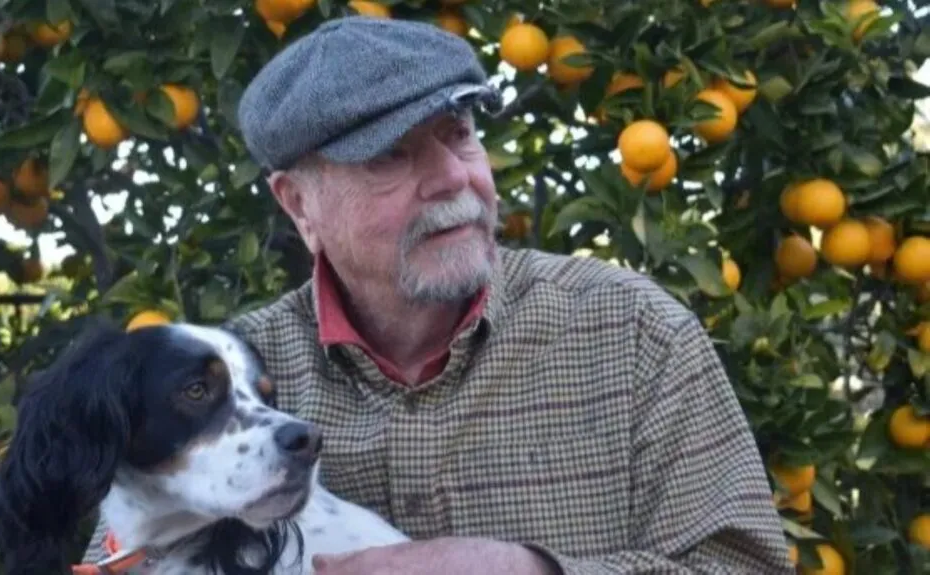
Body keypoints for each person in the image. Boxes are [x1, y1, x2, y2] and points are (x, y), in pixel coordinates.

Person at [82, 16, 795, 574]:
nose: (452, 179)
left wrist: (531, 569)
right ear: (300, 204)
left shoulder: (634, 335)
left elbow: (747, 566)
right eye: (391, 155)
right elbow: (123, 542)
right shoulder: (225, 380)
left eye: (459, 135)